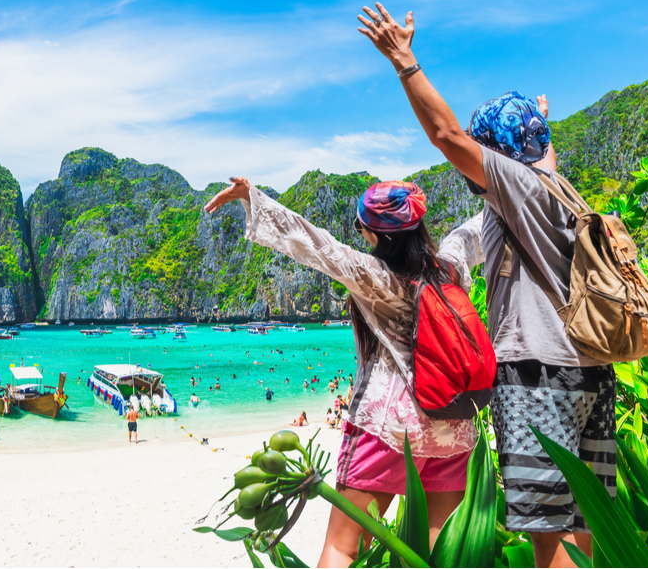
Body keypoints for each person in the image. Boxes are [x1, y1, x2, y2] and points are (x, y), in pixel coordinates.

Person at [357, 1, 613, 568]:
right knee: (583, 523)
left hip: (536, 377)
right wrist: (537, 115)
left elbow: (446, 135)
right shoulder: (559, 189)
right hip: (590, 372)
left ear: (499, 154)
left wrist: (404, 61)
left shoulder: (519, 190)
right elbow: (538, 146)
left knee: (548, 538)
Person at [205, 175, 483, 567]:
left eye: (361, 227)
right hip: (451, 425)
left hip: (390, 427)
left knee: (344, 548)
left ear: (374, 234)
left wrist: (253, 197)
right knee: (443, 554)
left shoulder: (377, 278)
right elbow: (474, 230)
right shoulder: (451, 269)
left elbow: (317, 246)